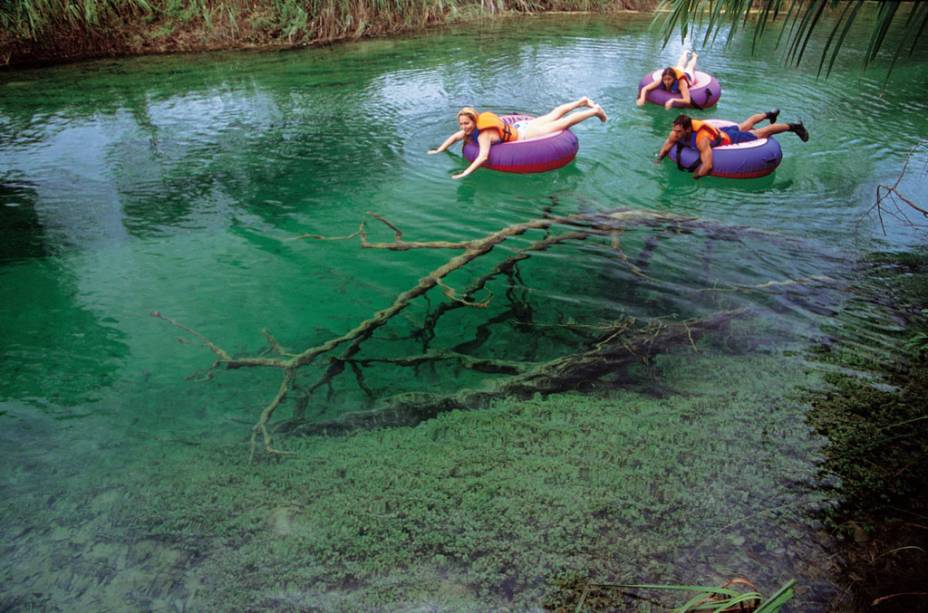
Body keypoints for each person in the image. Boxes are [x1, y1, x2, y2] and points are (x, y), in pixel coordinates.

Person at [428, 98, 607, 179]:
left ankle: (594, 111)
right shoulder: (468, 132)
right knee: (553, 114)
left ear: (474, 121)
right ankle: (582, 101)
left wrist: (465, 172)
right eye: (461, 124)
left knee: (561, 124)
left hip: (526, 134)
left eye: (466, 123)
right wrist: (439, 150)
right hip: (519, 127)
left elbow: (483, 156)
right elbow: (454, 137)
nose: (463, 127)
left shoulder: (483, 135)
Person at [655, 111, 809, 179]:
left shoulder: (702, 140)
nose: (676, 134)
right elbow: (667, 145)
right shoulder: (675, 133)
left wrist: (695, 177)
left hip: (727, 138)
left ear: (688, 129)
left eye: (679, 131)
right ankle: (769, 114)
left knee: (761, 133)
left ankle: (794, 127)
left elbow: (707, 165)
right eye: (675, 130)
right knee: (744, 124)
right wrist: (659, 159)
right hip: (717, 131)